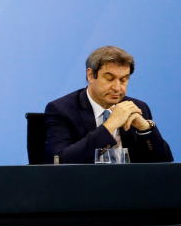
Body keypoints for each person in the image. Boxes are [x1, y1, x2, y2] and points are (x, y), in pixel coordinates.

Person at [44, 46, 172, 164]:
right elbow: (60, 161)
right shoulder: (62, 109)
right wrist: (110, 125)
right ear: (90, 75)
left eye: (123, 79)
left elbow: (164, 164)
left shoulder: (138, 107)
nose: (117, 88)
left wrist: (145, 129)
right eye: (109, 78)